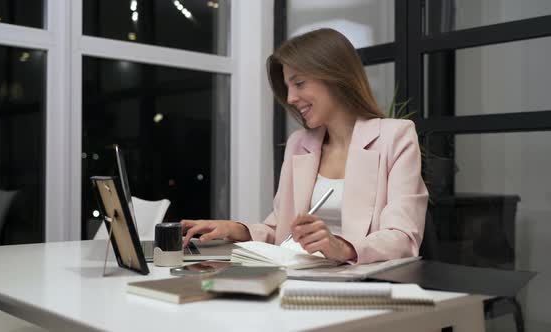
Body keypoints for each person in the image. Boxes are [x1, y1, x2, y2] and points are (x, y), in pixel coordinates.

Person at [182, 28, 428, 264]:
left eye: (299, 83)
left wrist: (341, 247)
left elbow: (403, 236)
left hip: (363, 282)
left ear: (335, 76)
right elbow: (281, 229)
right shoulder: (299, 144)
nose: (290, 98)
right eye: (288, 87)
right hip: (300, 278)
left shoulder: (395, 136)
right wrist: (236, 229)